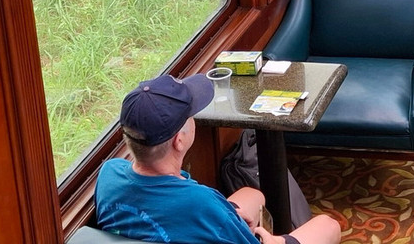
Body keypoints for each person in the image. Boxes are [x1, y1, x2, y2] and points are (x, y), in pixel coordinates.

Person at [95, 73, 342, 244]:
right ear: (178, 140)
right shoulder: (201, 203)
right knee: (327, 226)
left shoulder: (110, 174)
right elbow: (201, 210)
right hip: (196, 213)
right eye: (190, 115)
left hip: (177, 220)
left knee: (252, 194)